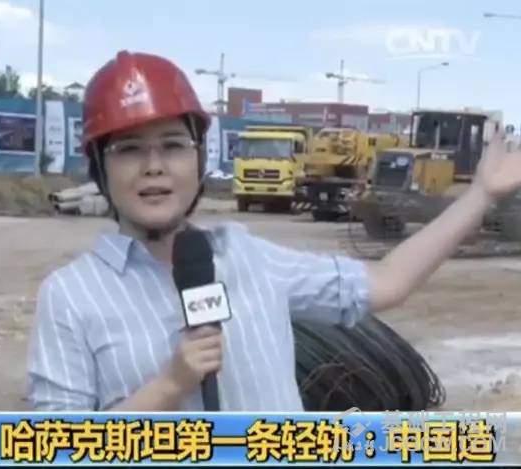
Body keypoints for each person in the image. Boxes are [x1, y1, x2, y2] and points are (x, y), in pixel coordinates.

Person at [27, 50, 521, 412]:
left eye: (173, 145)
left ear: (199, 159)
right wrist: (168, 387)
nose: (154, 165)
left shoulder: (248, 257)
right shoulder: (70, 297)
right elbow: (53, 452)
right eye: (129, 149)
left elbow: (387, 281)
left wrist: (480, 195)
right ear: (99, 167)